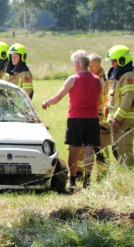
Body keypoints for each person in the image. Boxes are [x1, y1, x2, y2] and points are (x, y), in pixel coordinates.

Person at [41, 50, 102, 188]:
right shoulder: (98, 80)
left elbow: (57, 97)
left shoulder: (73, 79)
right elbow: (99, 102)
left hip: (76, 118)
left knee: (73, 149)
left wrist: (46, 103)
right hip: (92, 119)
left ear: (78, 64)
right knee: (89, 150)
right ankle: (87, 180)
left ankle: (73, 179)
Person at [105, 45, 134, 166]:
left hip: (125, 121)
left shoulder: (128, 76)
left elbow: (128, 99)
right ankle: (123, 175)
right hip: (118, 121)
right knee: (118, 151)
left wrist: (117, 118)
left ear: (122, 60)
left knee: (125, 152)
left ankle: (128, 177)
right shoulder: (119, 76)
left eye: (114, 60)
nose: (112, 63)